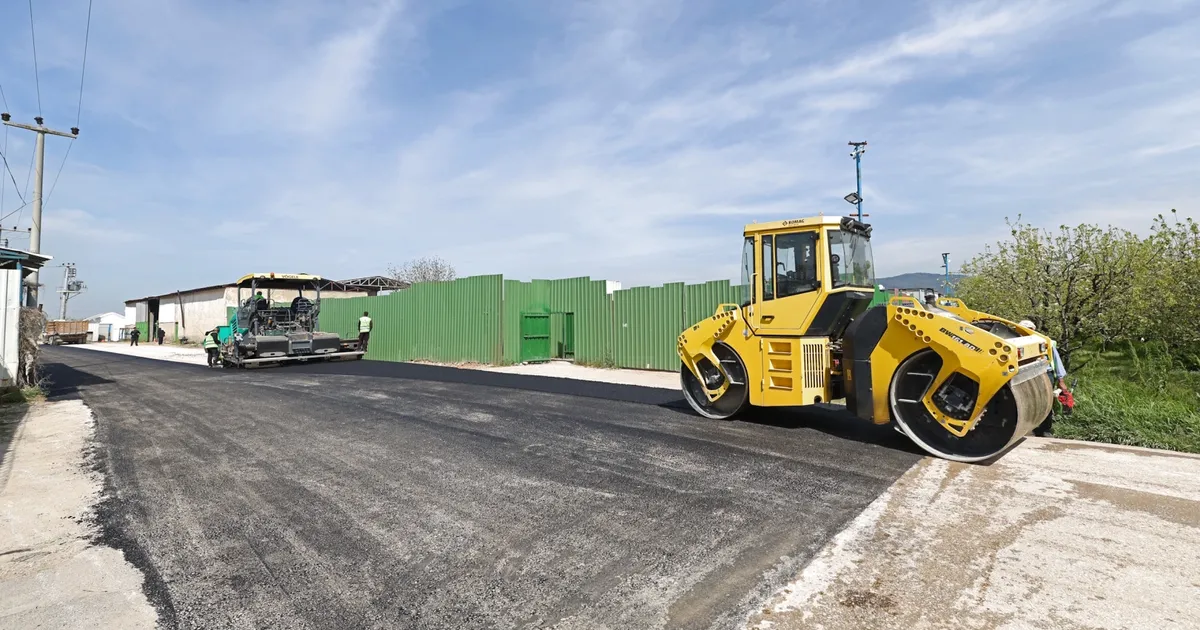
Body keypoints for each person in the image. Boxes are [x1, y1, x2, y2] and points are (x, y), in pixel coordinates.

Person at [1020, 319, 1070, 436]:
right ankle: (1024, 427)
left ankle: (1044, 429)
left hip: (1044, 375)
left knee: (1046, 402)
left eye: (1027, 330)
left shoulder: (1045, 342)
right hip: (1024, 375)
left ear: (1033, 330)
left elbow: (1056, 361)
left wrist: (1061, 381)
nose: (1025, 333)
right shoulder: (1014, 342)